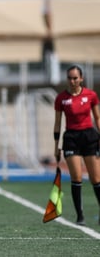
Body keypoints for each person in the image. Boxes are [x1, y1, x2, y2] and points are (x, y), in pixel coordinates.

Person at [54, 65, 100, 226]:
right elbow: (58, 124)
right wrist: (56, 146)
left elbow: (97, 118)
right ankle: (80, 216)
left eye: (75, 78)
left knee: (96, 178)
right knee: (77, 177)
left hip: (89, 137)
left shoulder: (91, 95)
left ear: (81, 78)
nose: (72, 81)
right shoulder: (61, 98)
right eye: (69, 78)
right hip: (71, 138)